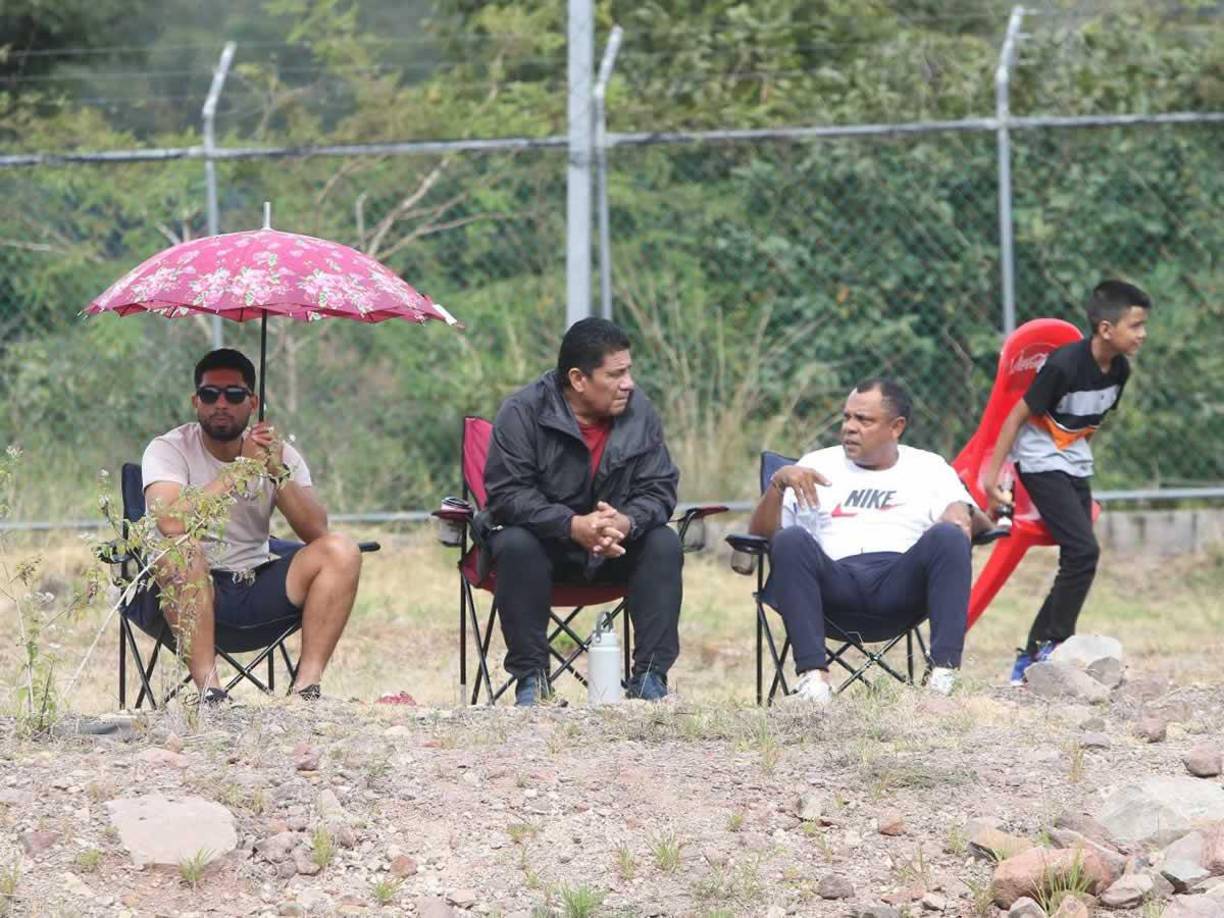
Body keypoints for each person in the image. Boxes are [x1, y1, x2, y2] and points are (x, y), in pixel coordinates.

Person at [477, 318, 682, 705]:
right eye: (616, 374)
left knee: (663, 543)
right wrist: (571, 525)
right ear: (578, 378)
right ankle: (532, 680)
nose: (629, 383)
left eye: (629, 371)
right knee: (515, 543)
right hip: (546, 551)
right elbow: (507, 494)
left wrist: (625, 521)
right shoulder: (522, 412)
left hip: (616, 550)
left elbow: (659, 488)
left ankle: (650, 678)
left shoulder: (641, 413)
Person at [141, 348, 362, 703]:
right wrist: (240, 470)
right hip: (188, 589)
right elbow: (169, 520)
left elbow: (316, 531)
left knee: (342, 550)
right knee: (180, 550)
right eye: (210, 394)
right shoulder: (168, 449)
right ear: (195, 401)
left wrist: (276, 471)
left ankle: (306, 690)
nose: (221, 403)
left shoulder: (279, 453)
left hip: (257, 582)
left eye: (234, 394)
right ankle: (211, 694)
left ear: (253, 401)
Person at [749, 378, 978, 704]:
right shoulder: (815, 464)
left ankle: (942, 678)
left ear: (896, 427)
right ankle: (814, 682)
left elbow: (972, 524)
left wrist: (962, 508)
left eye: (864, 420)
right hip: (832, 590)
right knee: (790, 539)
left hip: (901, 588)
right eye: (847, 418)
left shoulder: (929, 468)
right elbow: (758, 536)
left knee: (948, 536)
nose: (850, 428)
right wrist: (777, 485)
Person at [984, 280, 1150, 685]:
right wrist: (993, 476)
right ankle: (1048, 647)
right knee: (1082, 551)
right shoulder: (1063, 365)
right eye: (1136, 325)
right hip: (1040, 462)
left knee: (1080, 557)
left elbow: (1086, 423)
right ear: (1106, 329)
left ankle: (1035, 652)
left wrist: (1076, 456)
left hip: (1074, 461)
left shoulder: (1120, 370)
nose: (1142, 334)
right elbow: (1016, 416)